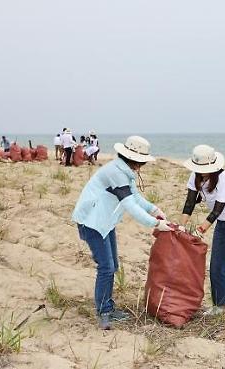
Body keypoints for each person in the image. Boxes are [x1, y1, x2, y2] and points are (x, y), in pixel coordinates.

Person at [72, 136, 170, 330]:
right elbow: (129, 205)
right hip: (92, 222)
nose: (142, 165)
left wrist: (155, 210)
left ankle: (108, 306)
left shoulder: (124, 171)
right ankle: (104, 312)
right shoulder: (116, 172)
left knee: (112, 265)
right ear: (134, 159)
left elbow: (136, 197)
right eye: (141, 162)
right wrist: (155, 224)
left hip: (104, 222)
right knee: (106, 267)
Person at [180, 145, 225, 326]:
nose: (201, 172)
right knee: (217, 265)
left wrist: (200, 230)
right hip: (223, 223)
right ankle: (221, 306)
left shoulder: (223, 178)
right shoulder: (195, 177)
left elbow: (217, 209)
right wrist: (181, 227)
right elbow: (190, 202)